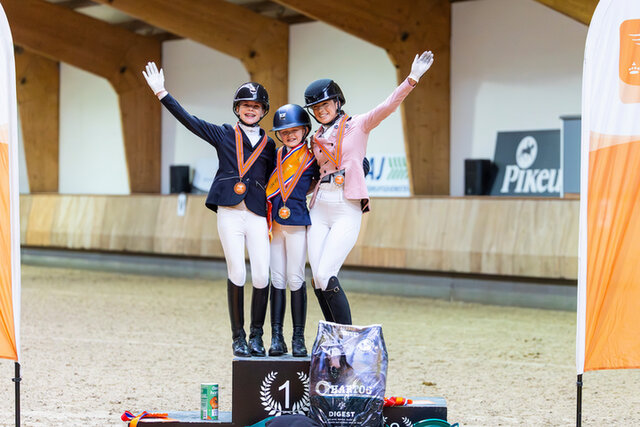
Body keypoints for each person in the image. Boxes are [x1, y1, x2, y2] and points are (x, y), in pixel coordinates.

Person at [142, 62, 276, 357]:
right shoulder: (224, 134)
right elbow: (190, 121)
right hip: (230, 211)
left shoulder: (269, 146)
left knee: (262, 275)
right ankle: (238, 337)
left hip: (256, 213)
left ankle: (257, 336)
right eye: (245, 105)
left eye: (255, 106)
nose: (250, 110)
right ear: (237, 108)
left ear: (263, 111)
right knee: (237, 271)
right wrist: (162, 93)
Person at [304, 51, 435, 325]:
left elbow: (387, 106)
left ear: (337, 102)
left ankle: (347, 336)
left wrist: (412, 78)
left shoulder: (358, 125)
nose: (321, 110)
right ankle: (333, 335)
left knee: (327, 273)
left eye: (325, 104)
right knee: (317, 278)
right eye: (316, 108)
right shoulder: (314, 139)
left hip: (345, 204)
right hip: (319, 205)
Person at [265, 104, 319, 357]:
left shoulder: (312, 157)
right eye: (284, 132)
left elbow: (320, 179)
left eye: (294, 130)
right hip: (275, 223)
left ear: (305, 130)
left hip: (296, 222)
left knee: (296, 278)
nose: (289, 135)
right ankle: (277, 337)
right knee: (277, 278)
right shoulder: (275, 156)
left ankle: (298, 338)